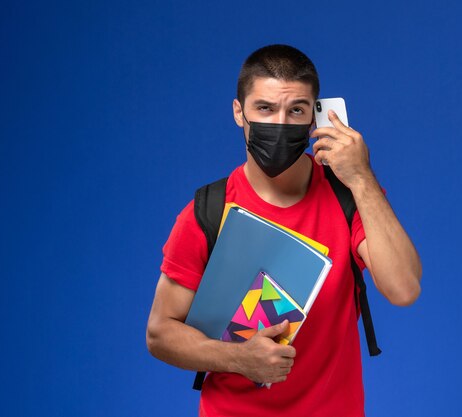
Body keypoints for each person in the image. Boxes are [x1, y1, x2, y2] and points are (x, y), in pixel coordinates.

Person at [146, 44, 422, 416]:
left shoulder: (351, 196)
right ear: (238, 112)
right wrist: (238, 358)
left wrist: (361, 177)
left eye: (296, 110)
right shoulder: (206, 212)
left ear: (315, 119)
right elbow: (160, 333)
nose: (280, 123)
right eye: (265, 108)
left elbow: (404, 289)